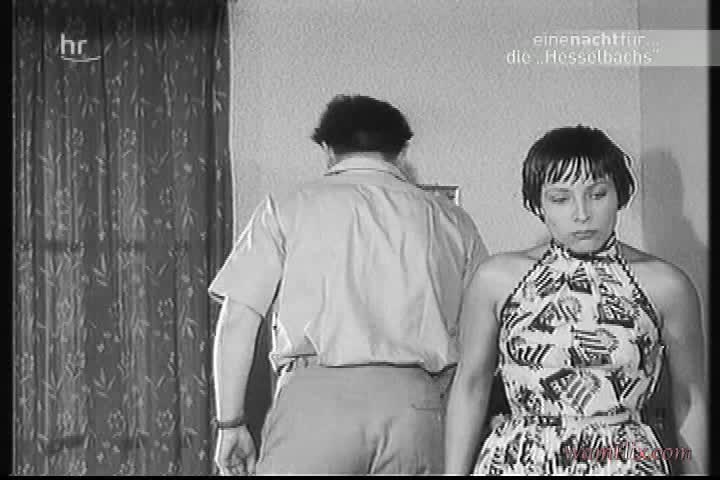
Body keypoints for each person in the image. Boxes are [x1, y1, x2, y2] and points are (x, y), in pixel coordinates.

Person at [209, 94, 488, 475]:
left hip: (314, 403)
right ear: (401, 152)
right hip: (416, 405)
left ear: (327, 149)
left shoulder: (288, 206)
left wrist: (230, 423)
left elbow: (238, 320)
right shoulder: (451, 219)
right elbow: (482, 333)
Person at [444, 125, 707, 475]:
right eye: (560, 198)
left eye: (597, 194)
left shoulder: (666, 285)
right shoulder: (496, 279)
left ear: (620, 195)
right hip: (520, 461)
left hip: (623, 462)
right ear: (538, 204)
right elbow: (470, 385)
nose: (582, 214)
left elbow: (690, 398)